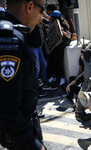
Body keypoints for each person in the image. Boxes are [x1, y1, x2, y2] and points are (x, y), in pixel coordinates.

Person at [0, 0, 45, 150]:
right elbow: (7, 106)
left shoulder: (13, 33)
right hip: (19, 138)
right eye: (41, 10)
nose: (41, 18)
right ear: (30, 7)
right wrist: (34, 146)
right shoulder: (10, 40)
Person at [27, 18, 58, 97]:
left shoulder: (35, 22)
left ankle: (46, 84)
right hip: (32, 47)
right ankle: (36, 89)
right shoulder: (28, 22)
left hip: (38, 47)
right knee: (36, 68)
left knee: (43, 65)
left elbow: (46, 18)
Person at [47, 10, 71, 86]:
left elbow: (69, 35)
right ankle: (53, 76)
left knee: (58, 63)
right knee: (52, 61)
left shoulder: (63, 24)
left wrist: (62, 31)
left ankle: (62, 78)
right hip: (54, 46)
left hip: (60, 46)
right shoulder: (52, 24)